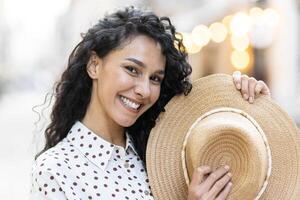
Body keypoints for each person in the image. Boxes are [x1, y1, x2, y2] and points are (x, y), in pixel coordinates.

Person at [31, 6, 271, 200]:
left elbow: (253, 177)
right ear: (94, 65)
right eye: (132, 69)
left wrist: (252, 105)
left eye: (155, 78)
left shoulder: (163, 151)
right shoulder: (56, 170)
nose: (144, 90)